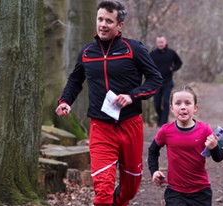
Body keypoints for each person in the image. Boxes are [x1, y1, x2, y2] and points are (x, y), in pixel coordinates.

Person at [55, 1, 162, 205]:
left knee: (130, 190)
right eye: (100, 19)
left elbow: (155, 79)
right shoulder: (87, 52)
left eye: (109, 21)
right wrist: (65, 101)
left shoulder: (134, 49)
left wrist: (133, 95)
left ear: (120, 25)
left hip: (130, 125)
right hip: (100, 127)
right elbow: (75, 81)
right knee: (103, 191)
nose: (103, 24)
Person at [147, 85, 223, 206]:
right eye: (178, 103)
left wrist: (214, 147)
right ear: (171, 108)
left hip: (201, 191)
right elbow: (152, 151)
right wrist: (154, 171)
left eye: (188, 103)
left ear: (195, 108)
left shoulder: (205, 129)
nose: (183, 107)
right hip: (175, 191)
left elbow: (219, 157)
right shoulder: (166, 131)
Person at [150, 35, 183, 127]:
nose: (160, 44)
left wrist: (173, 68)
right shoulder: (152, 54)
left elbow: (179, 63)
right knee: (156, 103)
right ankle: (160, 117)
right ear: (156, 43)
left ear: (165, 42)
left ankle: (163, 123)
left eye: (162, 42)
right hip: (156, 82)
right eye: (158, 42)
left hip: (167, 82)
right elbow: (147, 65)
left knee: (166, 102)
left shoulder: (171, 53)